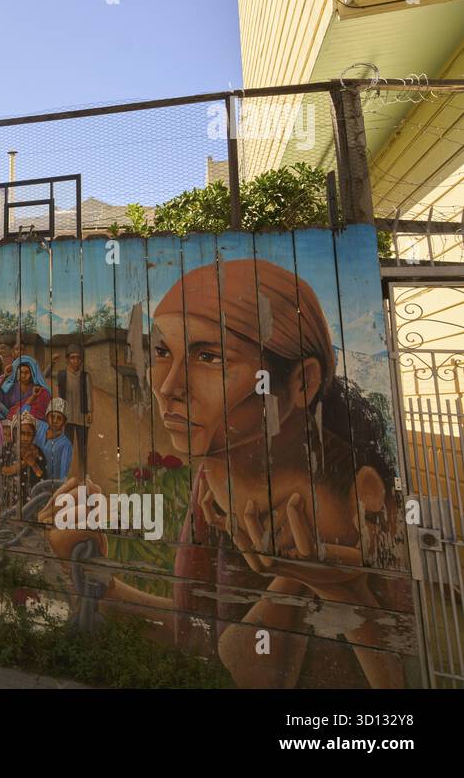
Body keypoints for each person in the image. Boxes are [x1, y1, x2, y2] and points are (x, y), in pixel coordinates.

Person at [40, 258, 408, 689]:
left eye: (209, 356)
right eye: (162, 353)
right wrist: (94, 575)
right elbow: (193, 637)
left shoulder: (350, 496)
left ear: (302, 382)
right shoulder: (211, 491)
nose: (167, 386)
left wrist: (346, 595)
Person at [55, 343, 92, 467]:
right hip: (67, 417)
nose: (75, 361)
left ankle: (83, 472)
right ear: (67, 359)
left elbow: (89, 394)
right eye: (72, 358)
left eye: (78, 358)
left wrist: (90, 411)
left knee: (83, 448)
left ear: (81, 360)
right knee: (67, 445)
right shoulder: (62, 375)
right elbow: (43, 376)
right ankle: (66, 470)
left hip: (81, 416)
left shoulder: (85, 376)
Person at [0, 355, 50, 422]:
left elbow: (40, 412)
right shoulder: (11, 388)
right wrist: (5, 376)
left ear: (32, 374)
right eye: (21, 372)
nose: (23, 375)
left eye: (26, 372)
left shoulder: (39, 390)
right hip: (11, 421)